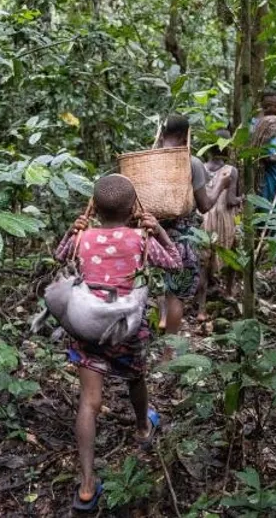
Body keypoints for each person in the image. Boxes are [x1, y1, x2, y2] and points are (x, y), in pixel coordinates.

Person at [53, 174, 182, 512]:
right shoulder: (141, 239)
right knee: (136, 378)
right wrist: (160, 230)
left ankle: (85, 486)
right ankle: (142, 428)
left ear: (94, 207)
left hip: (87, 327)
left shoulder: (83, 237)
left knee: (89, 402)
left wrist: (73, 229)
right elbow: (174, 263)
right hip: (126, 329)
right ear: (133, 209)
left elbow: (59, 256)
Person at [155, 114, 231, 340]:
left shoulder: (148, 159)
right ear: (184, 135)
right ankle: (169, 352)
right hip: (178, 236)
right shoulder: (192, 163)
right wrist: (220, 184)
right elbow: (205, 205)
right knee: (175, 293)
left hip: (150, 233)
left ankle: (159, 322)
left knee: (156, 283)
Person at [197, 131, 243, 322]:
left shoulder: (200, 167)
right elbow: (231, 200)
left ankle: (200, 308)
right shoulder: (231, 171)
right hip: (223, 218)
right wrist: (244, 198)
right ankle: (229, 290)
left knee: (203, 263)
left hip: (202, 217)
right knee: (232, 252)